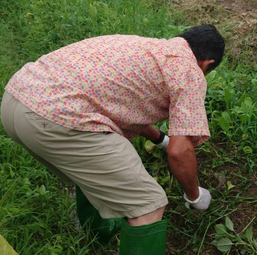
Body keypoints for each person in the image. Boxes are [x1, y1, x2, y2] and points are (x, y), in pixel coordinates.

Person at [1, 24, 226, 254]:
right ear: (206, 64)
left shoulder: (148, 48)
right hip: (54, 121)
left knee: (91, 172)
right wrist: (194, 196)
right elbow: (180, 152)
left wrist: (161, 139)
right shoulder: (190, 72)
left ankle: (94, 237)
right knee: (149, 205)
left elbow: (126, 108)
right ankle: (106, 233)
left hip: (15, 101)